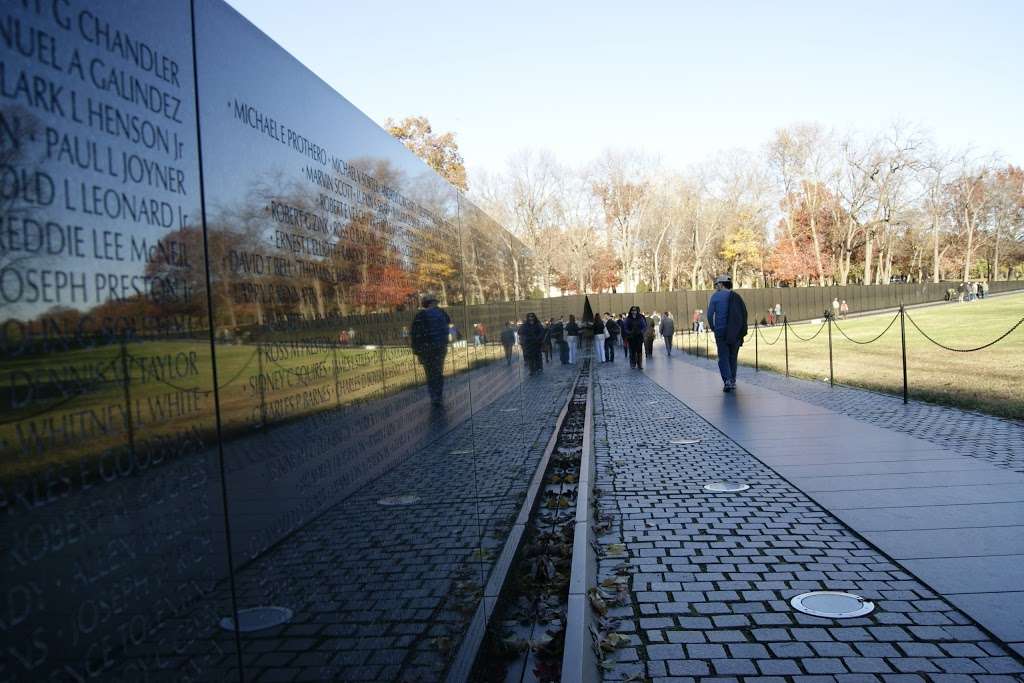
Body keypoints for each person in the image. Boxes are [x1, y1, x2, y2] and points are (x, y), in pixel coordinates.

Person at [707, 275, 748, 392]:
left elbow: (710, 315)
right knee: (733, 356)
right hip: (734, 331)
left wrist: (713, 327)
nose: (716, 287)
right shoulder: (736, 296)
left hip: (721, 331)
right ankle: (733, 380)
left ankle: (728, 380)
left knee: (723, 357)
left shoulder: (715, 296)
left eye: (716, 284)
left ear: (721, 284)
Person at [411, 294, 452, 406]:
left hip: (429, 350)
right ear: (432, 302)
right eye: (435, 302)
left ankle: (435, 395)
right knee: (437, 372)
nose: (437, 304)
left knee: (431, 374)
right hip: (438, 349)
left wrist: (418, 352)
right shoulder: (441, 314)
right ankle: (437, 395)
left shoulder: (421, 315)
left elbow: (415, 335)